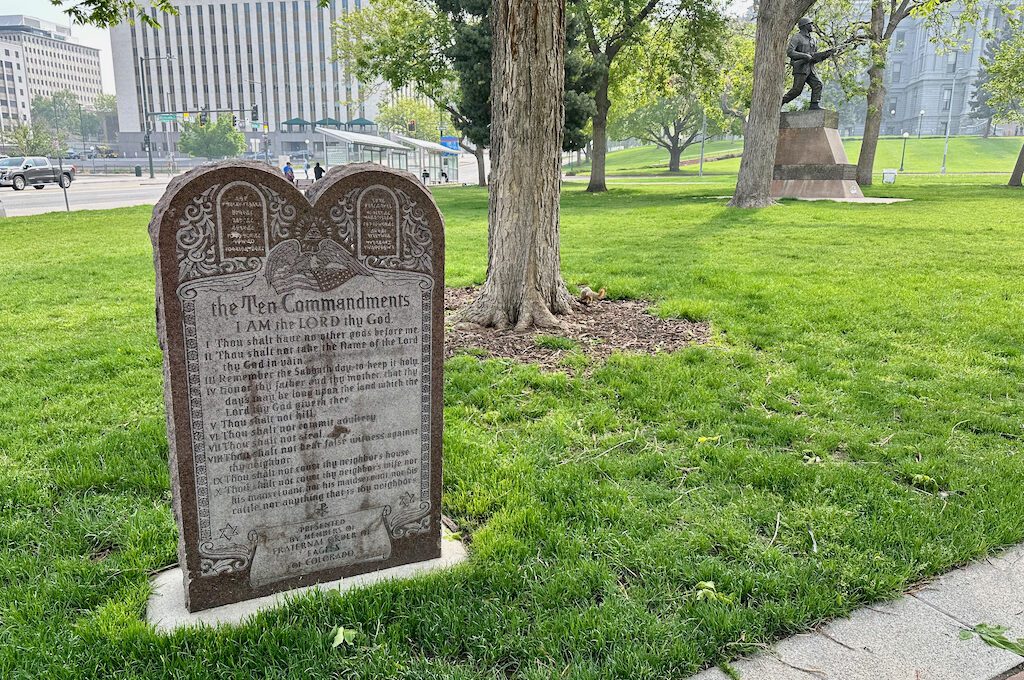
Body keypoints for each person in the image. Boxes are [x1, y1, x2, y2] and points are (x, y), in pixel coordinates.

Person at [782, 18, 825, 110]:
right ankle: (781, 101)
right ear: (805, 26)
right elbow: (790, 52)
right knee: (796, 91)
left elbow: (814, 55)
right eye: (810, 24)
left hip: (811, 68)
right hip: (801, 68)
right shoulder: (797, 37)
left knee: (818, 84)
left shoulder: (813, 39)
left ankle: (814, 104)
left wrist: (824, 55)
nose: (812, 26)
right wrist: (805, 56)